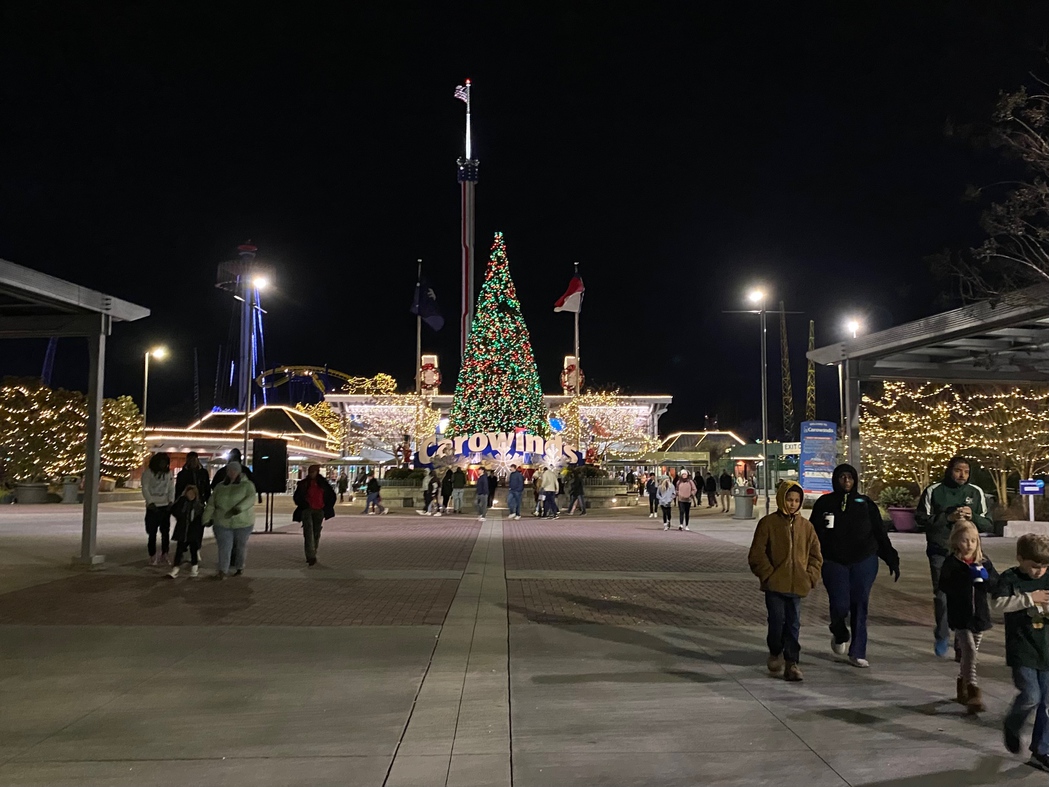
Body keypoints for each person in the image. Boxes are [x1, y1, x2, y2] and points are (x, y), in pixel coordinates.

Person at [810, 463, 901, 668]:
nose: (846, 481)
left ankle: (858, 651)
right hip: (834, 560)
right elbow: (812, 534)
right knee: (840, 603)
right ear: (836, 479)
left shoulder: (865, 503)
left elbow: (879, 532)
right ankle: (839, 630)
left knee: (860, 603)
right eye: (842, 477)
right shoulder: (825, 503)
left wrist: (891, 558)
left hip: (864, 559)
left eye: (850, 477)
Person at [916, 456, 993, 657]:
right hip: (941, 550)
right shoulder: (934, 491)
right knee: (943, 595)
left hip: (969, 552)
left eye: (966, 472)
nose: (962, 475)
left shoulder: (975, 493)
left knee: (968, 594)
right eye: (958, 470)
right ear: (950, 470)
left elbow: (988, 523)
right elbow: (921, 519)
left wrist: (972, 517)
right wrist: (947, 518)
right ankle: (942, 634)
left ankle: (962, 641)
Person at [747, 481, 823, 682]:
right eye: (789, 499)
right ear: (782, 499)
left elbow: (816, 556)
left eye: (797, 501)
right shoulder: (768, 523)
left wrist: (810, 577)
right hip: (775, 585)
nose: (793, 504)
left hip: (798, 584)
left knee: (793, 624)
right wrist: (768, 575)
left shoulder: (806, 527)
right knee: (776, 622)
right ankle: (775, 651)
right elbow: (757, 554)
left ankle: (792, 662)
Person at [992, 533, 1049, 770]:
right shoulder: (1010, 578)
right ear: (1020, 559)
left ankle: (1041, 749)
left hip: (1045, 648)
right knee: (1031, 696)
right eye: (1034, 566)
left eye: (1044, 567)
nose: (1040, 572)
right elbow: (998, 603)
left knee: (1046, 703)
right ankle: (1013, 724)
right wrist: (1029, 598)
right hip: (1022, 648)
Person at [938, 520, 998, 713]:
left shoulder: (984, 561)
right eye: (965, 541)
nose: (969, 544)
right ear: (956, 542)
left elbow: (995, 584)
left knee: (971, 654)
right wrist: (964, 578)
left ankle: (961, 683)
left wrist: (985, 580)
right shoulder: (952, 563)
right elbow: (944, 586)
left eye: (973, 540)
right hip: (961, 616)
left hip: (979, 616)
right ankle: (973, 690)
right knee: (970, 651)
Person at [203, 461, 257, 579]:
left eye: (234, 470)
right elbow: (211, 504)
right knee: (224, 547)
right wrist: (206, 518)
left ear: (239, 472)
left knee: (240, 547)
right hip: (222, 522)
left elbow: (250, 499)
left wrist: (239, 508)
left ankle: (239, 567)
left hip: (243, 522)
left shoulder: (248, 485)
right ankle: (223, 570)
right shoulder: (220, 487)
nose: (232, 473)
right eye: (229, 471)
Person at [293, 464, 336, 566]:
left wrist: (327, 507)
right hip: (307, 510)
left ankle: (313, 551)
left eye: (313, 472)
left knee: (316, 532)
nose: (311, 474)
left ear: (317, 472)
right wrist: (303, 504)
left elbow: (331, 496)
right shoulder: (304, 484)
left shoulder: (323, 484)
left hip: (319, 510)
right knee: (308, 532)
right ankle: (310, 555)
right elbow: (297, 497)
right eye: (310, 472)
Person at [141, 452, 174, 566]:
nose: (163, 464)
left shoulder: (168, 473)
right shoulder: (148, 473)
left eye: (165, 462)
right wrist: (150, 502)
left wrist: (171, 501)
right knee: (152, 532)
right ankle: (152, 555)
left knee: (165, 532)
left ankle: (165, 553)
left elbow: (171, 488)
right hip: (153, 507)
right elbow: (145, 488)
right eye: (161, 462)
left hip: (165, 505)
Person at [168, 484, 205, 578]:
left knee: (193, 550)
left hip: (193, 531)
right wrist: (179, 515)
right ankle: (175, 569)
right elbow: (174, 510)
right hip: (182, 530)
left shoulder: (198, 505)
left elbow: (201, 518)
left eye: (193, 493)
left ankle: (194, 568)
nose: (191, 495)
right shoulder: (181, 502)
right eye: (189, 493)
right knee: (179, 550)